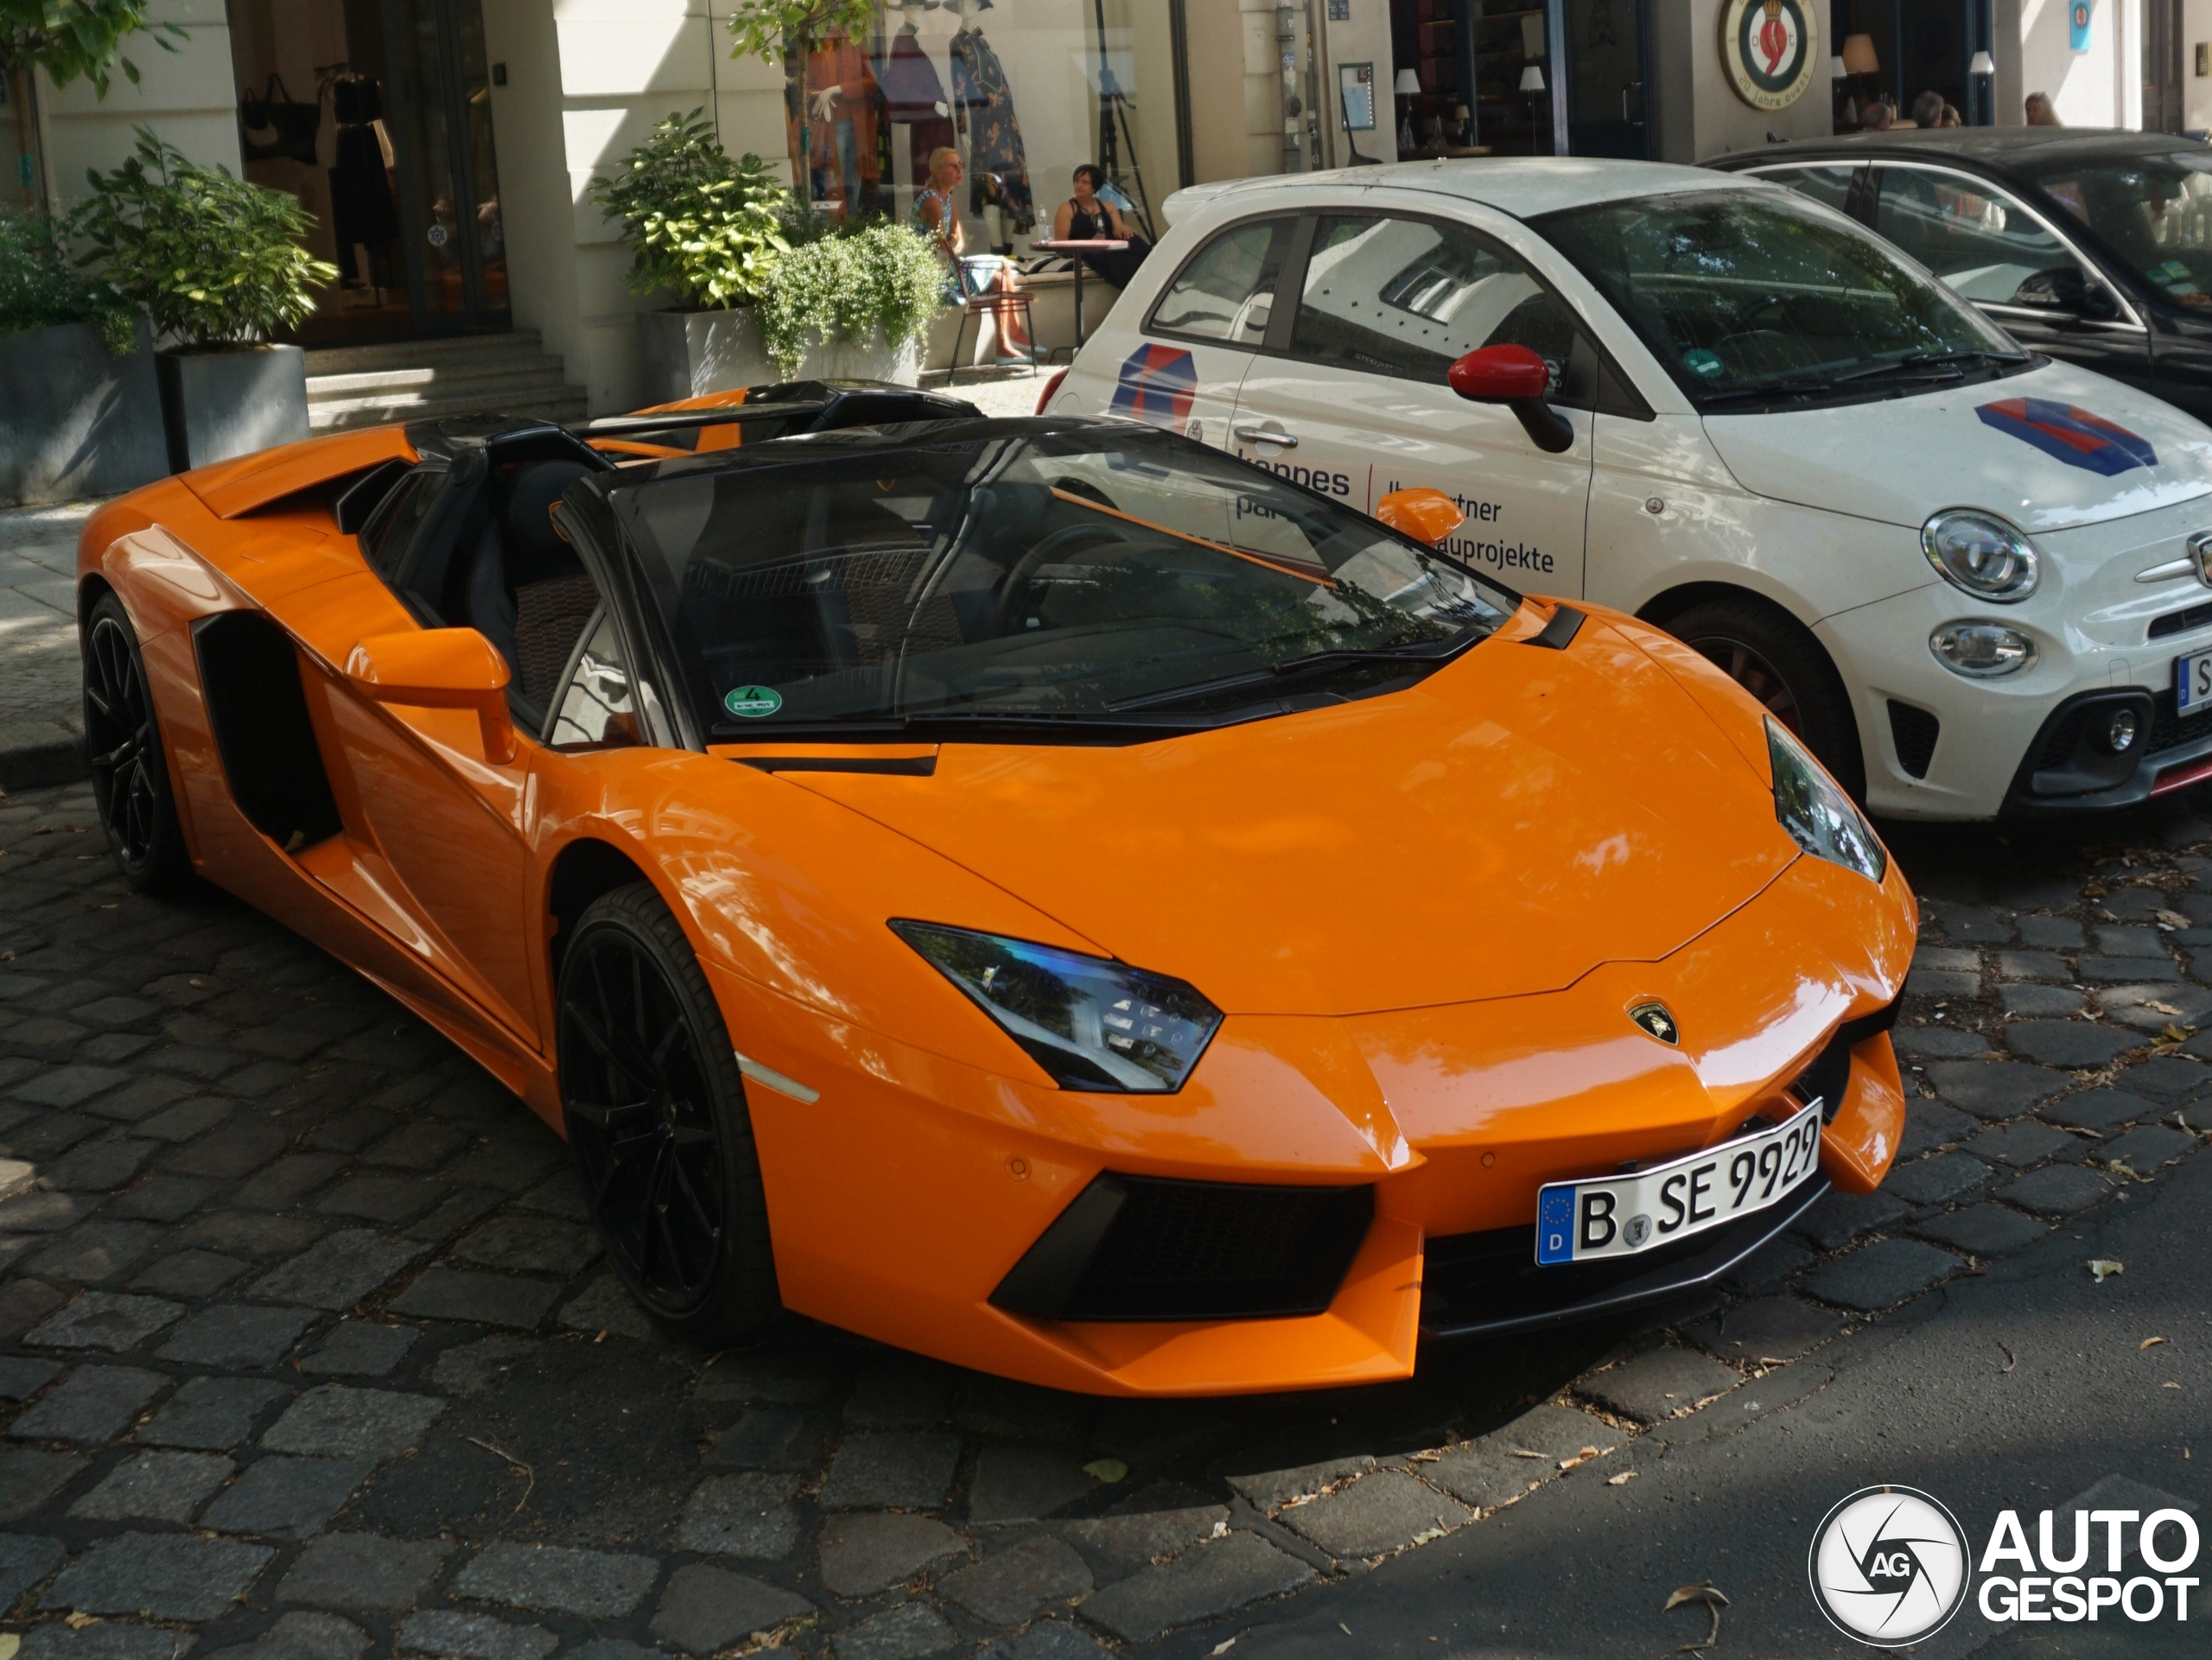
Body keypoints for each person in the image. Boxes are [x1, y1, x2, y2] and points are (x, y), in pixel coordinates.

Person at [913, 145, 1030, 362]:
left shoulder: (949, 198)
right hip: (935, 277)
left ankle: (1004, 346)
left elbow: (957, 240)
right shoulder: (931, 200)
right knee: (1002, 265)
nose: (959, 170)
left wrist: (952, 242)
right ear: (937, 172)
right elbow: (943, 243)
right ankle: (1014, 334)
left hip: (949, 266)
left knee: (998, 277)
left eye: (961, 165)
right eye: (952, 166)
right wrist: (951, 242)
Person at [1050, 163, 1152, 289]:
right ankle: (1141, 285)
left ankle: (1157, 265)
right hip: (1087, 252)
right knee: (1121, 260)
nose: (1079, 185)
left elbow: (1118, 228)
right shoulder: (1066, 209)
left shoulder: (1107, 206)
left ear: (1094, 187)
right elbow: (1061, 244)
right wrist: (1088, 244)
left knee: (1135, 241)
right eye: (1077, 180)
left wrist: (1125, 229)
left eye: (1085, 182)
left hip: (1108, 244)